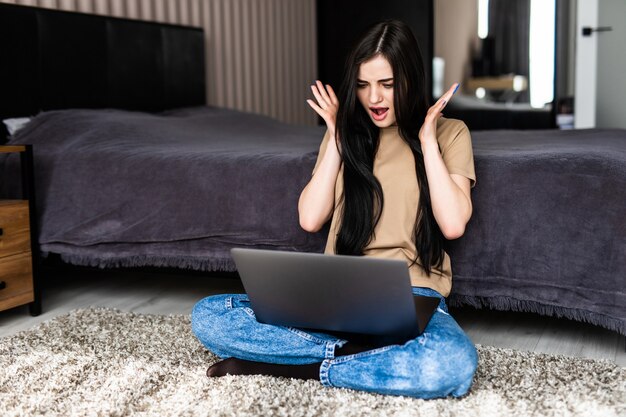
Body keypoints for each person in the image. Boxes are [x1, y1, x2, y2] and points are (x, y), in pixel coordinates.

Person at [191, 20, 478, 399]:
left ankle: (293, 367)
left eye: (387, 84)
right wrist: (336, 139)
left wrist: (427, 142)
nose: (374, 98)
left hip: (415, 299)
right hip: (335, 300)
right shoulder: (345, 137)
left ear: (410, 78)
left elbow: (453, 223)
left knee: (451, 366)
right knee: (208, 315)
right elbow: (310, 218)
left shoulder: (449, 134)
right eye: (363, 85)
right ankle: (360, 361)